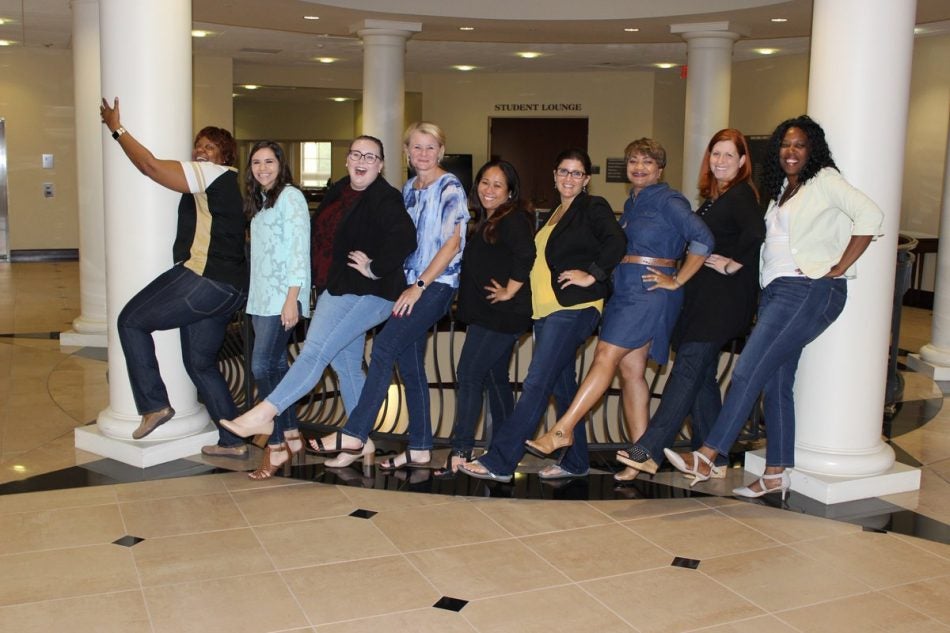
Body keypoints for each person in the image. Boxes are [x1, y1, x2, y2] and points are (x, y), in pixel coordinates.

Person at [664, 115, 883, 499]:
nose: (791, 151)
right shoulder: (783, 188)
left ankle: (708, 453)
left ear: (812, 148)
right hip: (776, 291)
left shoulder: (825, 180)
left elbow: (870, 216)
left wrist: (837, 268)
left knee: (746, 370)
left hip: (808, 290)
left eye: (799, 144)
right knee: (776, 382)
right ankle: (777, 472)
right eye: (785, 144)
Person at [219, 135, 417, 468]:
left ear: (380, 165)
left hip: (373, 293)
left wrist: (375, 266)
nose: (362, 161)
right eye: (356, 154)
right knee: (345, 365)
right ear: (347, 159)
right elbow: (316, 239)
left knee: (315, 351)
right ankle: (360, 440)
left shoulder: (385, 197)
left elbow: (405, 237)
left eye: (370, 157)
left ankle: (265, 412)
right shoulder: (339, 191)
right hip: (336, 289)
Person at [524, 139, 714, 480]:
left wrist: (678, 279)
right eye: (634, 161)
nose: (639, 167)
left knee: (604, 357)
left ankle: (563, 429)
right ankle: (639, 457)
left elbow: (702, 238)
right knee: (630, 374)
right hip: (626, 291)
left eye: (648, 162)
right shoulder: (633, 202)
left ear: (660, 169)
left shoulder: (669, 200)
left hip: (648, 292)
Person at [305, 121, 470, 470]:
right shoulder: (408, 189)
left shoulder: (450, 186)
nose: (423, 154)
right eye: (416, 147)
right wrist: (374, 267)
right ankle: (421, 446)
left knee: (382, 348)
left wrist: (419, 286)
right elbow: (394, 238)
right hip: (406, 286)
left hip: (433, 287)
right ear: (407, 152)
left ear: (441, 151)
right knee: (409, 366)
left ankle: (355, 431)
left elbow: (453, 243)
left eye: (430, 147)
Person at [458, 148, 626, 482]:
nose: (569, 179)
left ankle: (501, 461)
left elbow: (617, 240)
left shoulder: (593, 207)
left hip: (574, 309)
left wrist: (592, 274)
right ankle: (575, 462)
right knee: (562, 388)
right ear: (554, 175)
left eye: (576, 173)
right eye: (563, 171)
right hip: (547, 313)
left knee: (535, 382)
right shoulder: (552, 215)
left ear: (586, 179)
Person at [99, 97, 249, 455]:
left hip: (205, 277)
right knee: (200, 364)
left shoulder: (215, 175)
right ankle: (233, 441)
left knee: (131, 321)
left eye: (210, 147)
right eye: (198, 145)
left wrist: (116, 128)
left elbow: (150, 166)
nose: (201, 151)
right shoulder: (214, 185)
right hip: (227, 288)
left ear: (225, 157)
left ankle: (154, 405)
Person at [613, 129, 765, 481]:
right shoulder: (717, 197)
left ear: (743, 161)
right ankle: (714, 456)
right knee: (703, 378)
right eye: (716, 154)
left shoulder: (741, 195)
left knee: (687, 370)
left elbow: (756, 234)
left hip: (722, 303)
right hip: (705, 300)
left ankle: (648, 450)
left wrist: (732, 263)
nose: (721, 161)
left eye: (729, 155)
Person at [435, 160, 536, 476]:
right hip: (488, 314)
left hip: (503, 315)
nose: (488, 189)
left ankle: (461, 450)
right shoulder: (488, 219)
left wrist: (509, 290)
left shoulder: (514, 219)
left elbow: (527, 255)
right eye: (484, 182)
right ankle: (505, 451)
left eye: (497, 185)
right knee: (495, 380)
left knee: (468, 373)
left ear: (509, 192)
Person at [242, 141, 311, 479]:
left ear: (281, 165)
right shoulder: (262, 200)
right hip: (260, 297)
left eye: (269, 161)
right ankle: (291, 433)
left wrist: (292, 298)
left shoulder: (290, 197)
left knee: (261, 365)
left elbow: (299, 250)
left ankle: (277, 443)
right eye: (256, 162)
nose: (263, 168)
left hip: (281, 297)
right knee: (275, 365)